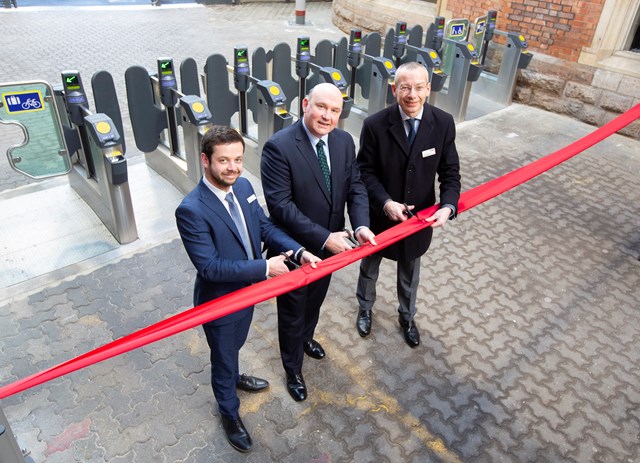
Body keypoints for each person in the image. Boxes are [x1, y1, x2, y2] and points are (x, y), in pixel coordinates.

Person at [175, 126, 320, 453]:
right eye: (223, 160)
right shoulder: (191, 209)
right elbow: (210, 267)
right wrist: (266, 268)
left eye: (237, 159)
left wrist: (297, 251)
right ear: (205, 160)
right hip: (220, 303)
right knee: (223, 358)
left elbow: (264, 227)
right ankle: (229, 412)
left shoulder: (243, 186)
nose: (232, 167)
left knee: (235, 346)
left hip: (248, 296)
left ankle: (235, 377)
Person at [261, 83, 376, 402]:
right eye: (321, 107)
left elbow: (355, 187)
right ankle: (292, 367)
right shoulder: (278, 147)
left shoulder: (343, 141)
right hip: (295, 250)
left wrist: (362, 224)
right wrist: (325, 238)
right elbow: (281, 206)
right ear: (305, 104)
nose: (327, 116)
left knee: (315, 302)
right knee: (293, 311)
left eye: (335, 110)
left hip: (331, 248)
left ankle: (306, 339)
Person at [355, 61, 461, 348]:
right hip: (381, 216)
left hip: (418, 220)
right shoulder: (375, 125)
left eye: (418, 87)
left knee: (410, 272)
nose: (411, 94)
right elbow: (364, 172)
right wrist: (385, 202)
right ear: (394, 89)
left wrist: (448, 207)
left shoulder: (442, 123)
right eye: (405, 87)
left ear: (428, 88)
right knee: (369, 268)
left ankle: (407, 316)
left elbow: (450, 172)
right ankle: (365, 309)